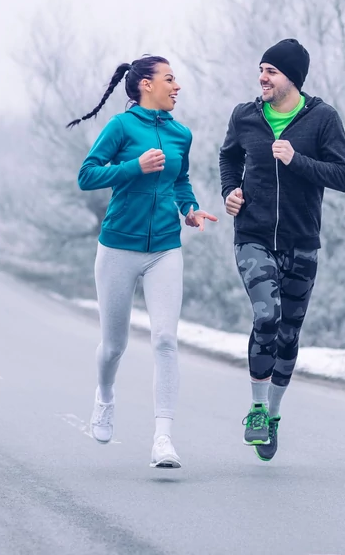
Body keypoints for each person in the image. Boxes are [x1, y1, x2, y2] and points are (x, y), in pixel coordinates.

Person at [69, 55, 217, 468]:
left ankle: (163, 439)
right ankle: (104, 396)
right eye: (170, 79)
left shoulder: (180, 134)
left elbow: (180, 179)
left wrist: (189, 208)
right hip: (118, 247)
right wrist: (134, 166)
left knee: (166, 339)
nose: (177, 87)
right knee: (114, 345)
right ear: (146, 85)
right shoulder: (121, 127)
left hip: (165, 248)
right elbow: (87, 175)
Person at [218, 38, 345, 461]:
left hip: (301, 242)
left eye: (271, 71)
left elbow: (344, 175)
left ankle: (273, 416)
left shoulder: (322, 119)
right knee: (267, 316)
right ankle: (257, 410)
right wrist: (229, 192)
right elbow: (228, 158)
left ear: (291, 78)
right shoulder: (245, 116)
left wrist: (298, 160)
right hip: (253, 235)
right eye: (261, 69)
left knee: (290, 334)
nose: (262, 77)